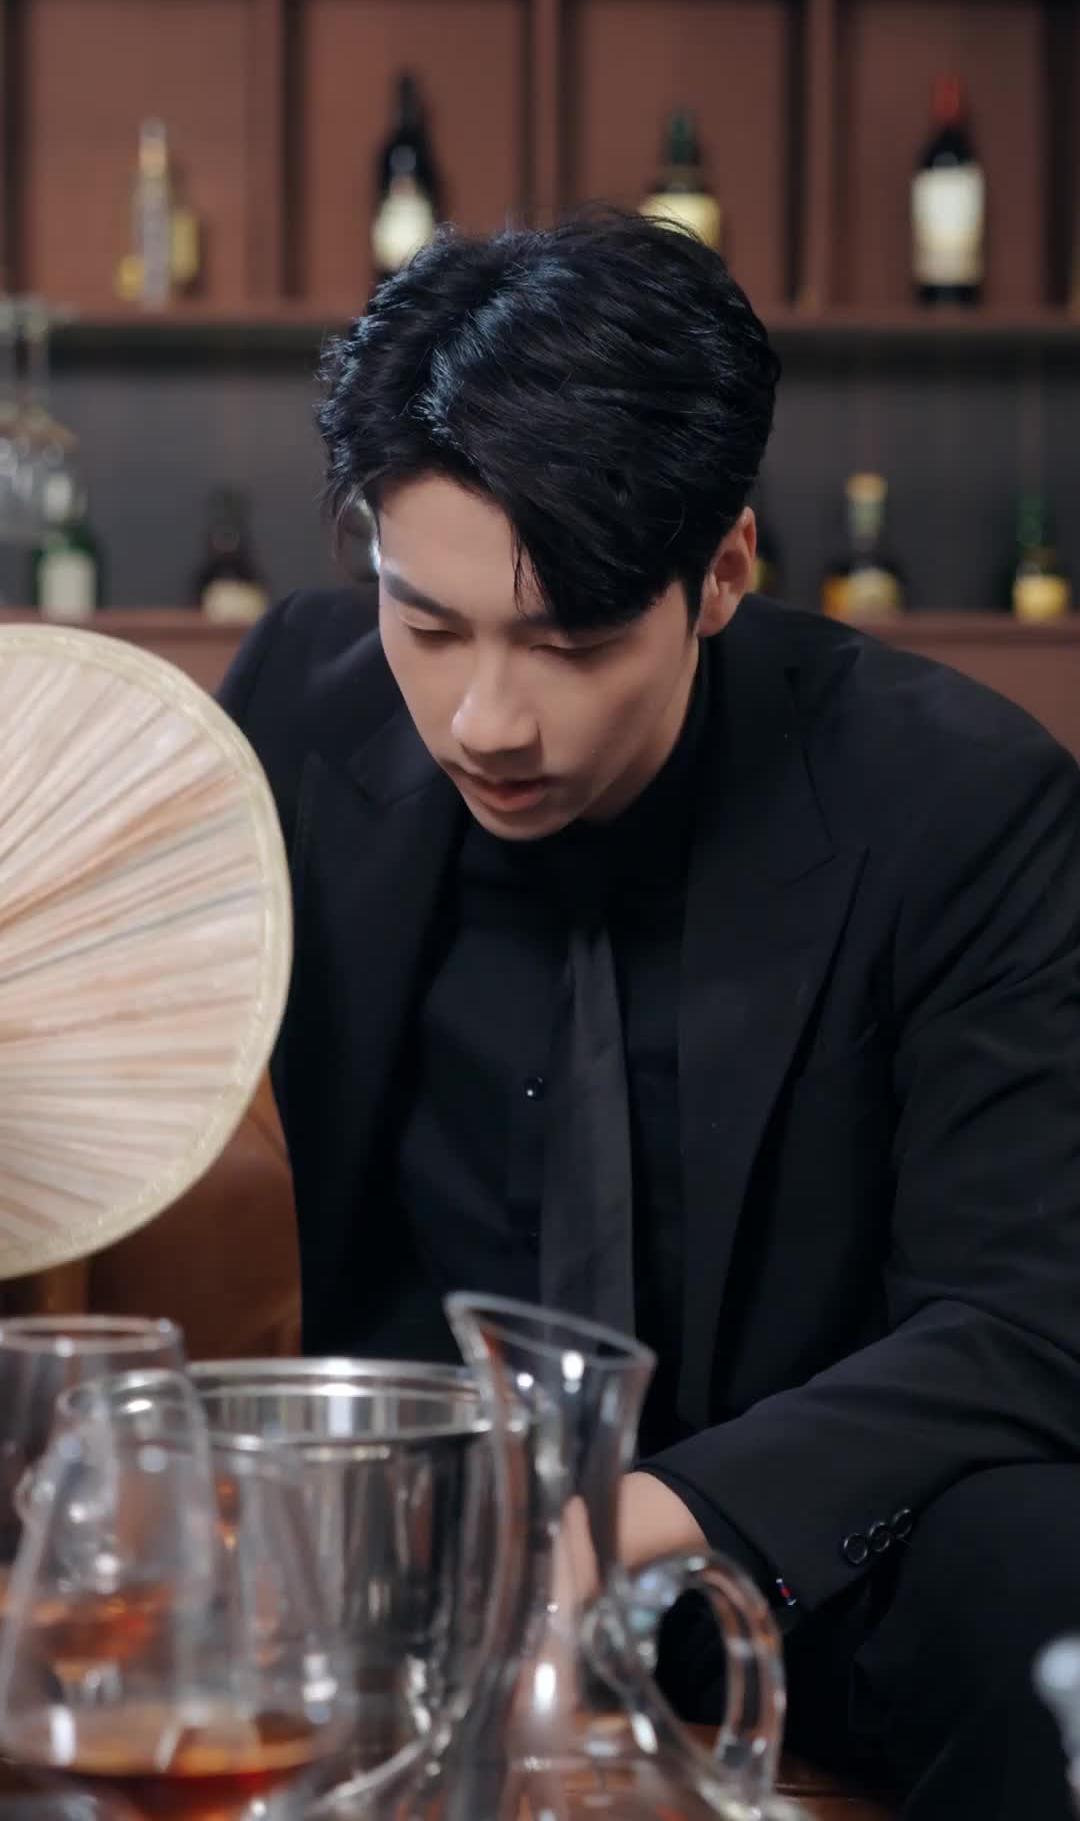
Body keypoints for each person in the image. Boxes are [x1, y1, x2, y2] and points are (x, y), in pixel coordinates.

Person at [220, 209, 1080, 1819]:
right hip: (395, 1553)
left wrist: (639, 1524)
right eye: (428, 625)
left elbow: (1030, 1318)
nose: (486, 721)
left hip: (797, 1563)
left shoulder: (958, 800)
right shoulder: (294, 700)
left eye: (571, 643)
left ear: (723, 572)